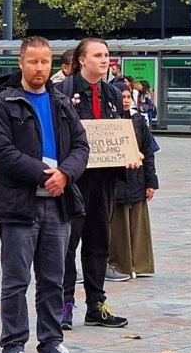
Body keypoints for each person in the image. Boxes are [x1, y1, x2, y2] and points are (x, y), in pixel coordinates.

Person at [0, 37, 90, 353]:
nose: (39, 68)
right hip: (19, 205)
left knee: (53, 278)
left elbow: (81, 147)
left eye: (45, 61)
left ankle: (51, 342)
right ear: (21, 63)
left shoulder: (61, 103)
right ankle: (13, 345)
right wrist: (44, 174)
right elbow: (0, 151)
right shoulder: (5, 103)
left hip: (57, 204)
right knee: (16, 279)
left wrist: (66, 175)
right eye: (33, 61)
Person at [58, 38, 138, 329]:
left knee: (98, 242)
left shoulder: (113, 94)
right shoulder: (62, 92)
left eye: (107, 55)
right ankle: (64, 305)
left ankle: (96, 305)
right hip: (75, 179)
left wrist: (130, 153)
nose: (105, 60)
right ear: (82, 60)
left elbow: (122, 132)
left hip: (104, 179)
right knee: (68, 244)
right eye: (99, 55)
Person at [109, 80, 159, 278]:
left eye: (129, 97)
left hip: (136, 179)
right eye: (123, 98)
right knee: (118, 225)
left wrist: (151, 182)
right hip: (115, 182)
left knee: (139, 224)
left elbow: (148, 151)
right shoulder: (109, 121)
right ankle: (119, 264)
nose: (127, 101)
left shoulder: (138, 120)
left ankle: (140, 263)